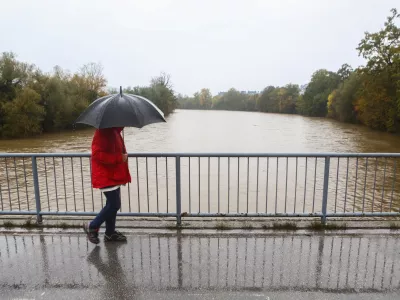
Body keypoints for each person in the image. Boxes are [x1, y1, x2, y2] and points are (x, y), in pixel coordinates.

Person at [83, 127, 131, 244]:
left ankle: (110, 233)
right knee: (115, 204)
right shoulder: (102, 132)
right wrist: (119, 158)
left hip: (114, 174)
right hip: (105, 175)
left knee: (111, 205)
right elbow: (97, 154)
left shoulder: (114, 131)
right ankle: (92, 226)